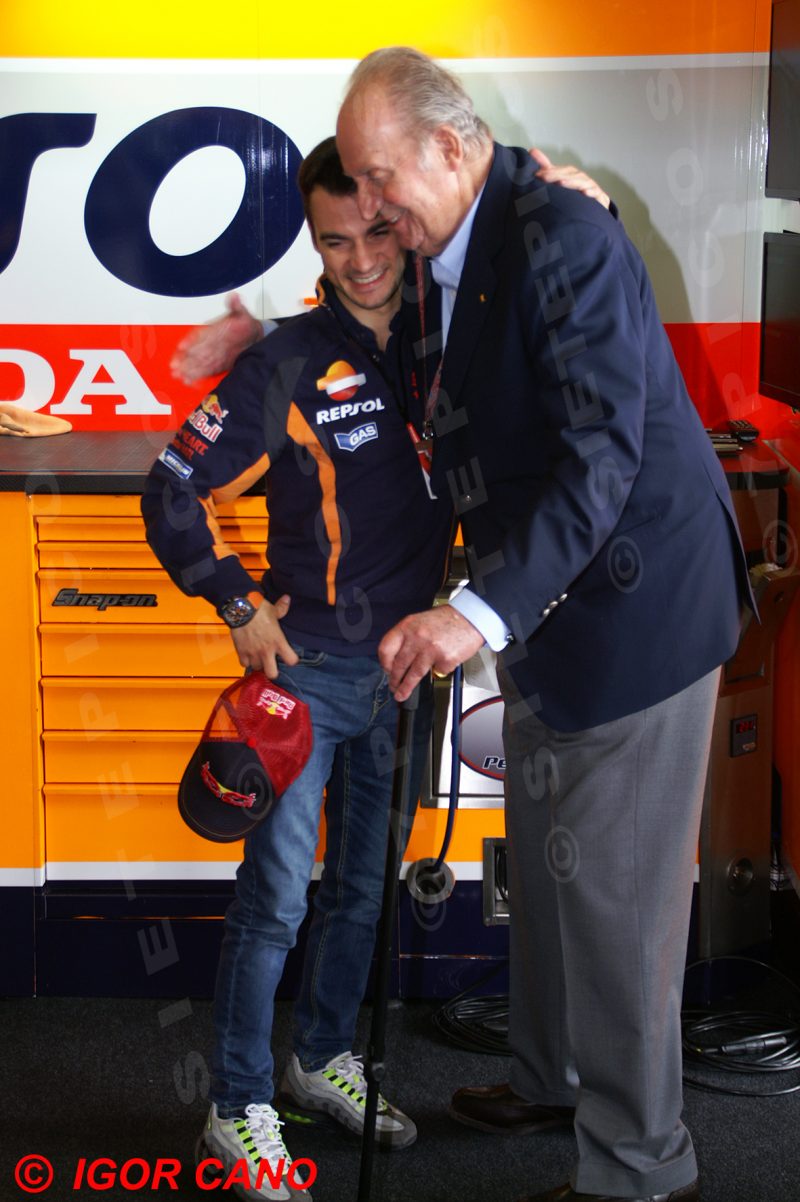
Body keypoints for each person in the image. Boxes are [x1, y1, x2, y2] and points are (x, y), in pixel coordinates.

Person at [336, 48, 752, 1202]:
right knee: (554, 870)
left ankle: (636, 1168)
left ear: (452, 148)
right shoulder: (449, 247)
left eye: (380, 181)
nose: (370, 210)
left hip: (632, 609)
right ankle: (555, 1073)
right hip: (543, 613)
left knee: (615, 905)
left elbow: (597, 460)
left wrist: (472, 613)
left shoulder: (559, 236)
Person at [142, 137, 454, 1201]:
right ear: (313, 241)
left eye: (377, 232)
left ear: (402, 222)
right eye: (335, 240)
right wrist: (234, 600)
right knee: (276, 894)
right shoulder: (279, 363)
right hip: (307, 674)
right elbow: (170, 485)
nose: (362, 258)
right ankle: (235, 1101)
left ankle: (319, 1056)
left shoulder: (437, 343)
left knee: (359, 890)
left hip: (409, 669)